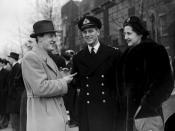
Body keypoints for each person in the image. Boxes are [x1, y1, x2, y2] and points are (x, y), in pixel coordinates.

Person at [120, 16, 174, 131]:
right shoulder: (126, 54)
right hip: (130, 116)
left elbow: (165, 83)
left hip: (148, 115)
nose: (125, 37)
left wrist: (147, 106)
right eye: (124, 34)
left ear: (140, 33)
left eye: (129, 33)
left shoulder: (155, 50)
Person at [21, 20, 76, 131]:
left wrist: (62, 75)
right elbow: (40, 87)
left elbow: (49, 80)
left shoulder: (45, 56)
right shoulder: (31, 57)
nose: (54, 40)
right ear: (39, 38)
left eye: (54, 36)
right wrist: (63, 81)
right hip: (43, 116)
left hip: (51, 115)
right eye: (51, 36)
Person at [71, 15, 122, 131]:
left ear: (98, 32)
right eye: (84, 32)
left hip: (108, 110)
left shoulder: (113, 54)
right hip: (87, 112)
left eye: (91, 31)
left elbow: (120, 84)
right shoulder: (78, 58)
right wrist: (68, 79)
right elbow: (76, 83)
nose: (87, 34)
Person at [6, 52, 25, 131]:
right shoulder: (15, 67)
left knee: (16, 120)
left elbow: (16, 83)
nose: (8, 59)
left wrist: (11, 93)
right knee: (15, 120)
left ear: (12, 58)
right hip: (15, 98)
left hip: (16, 98)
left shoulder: (17, 67)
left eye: (9, 58)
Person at [0, 58, 10, 129]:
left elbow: (8, 84)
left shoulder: (6, 72)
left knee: (3, 110)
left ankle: (3, 124)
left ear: (1, 63)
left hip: (3, 95)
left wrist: (4, 92)